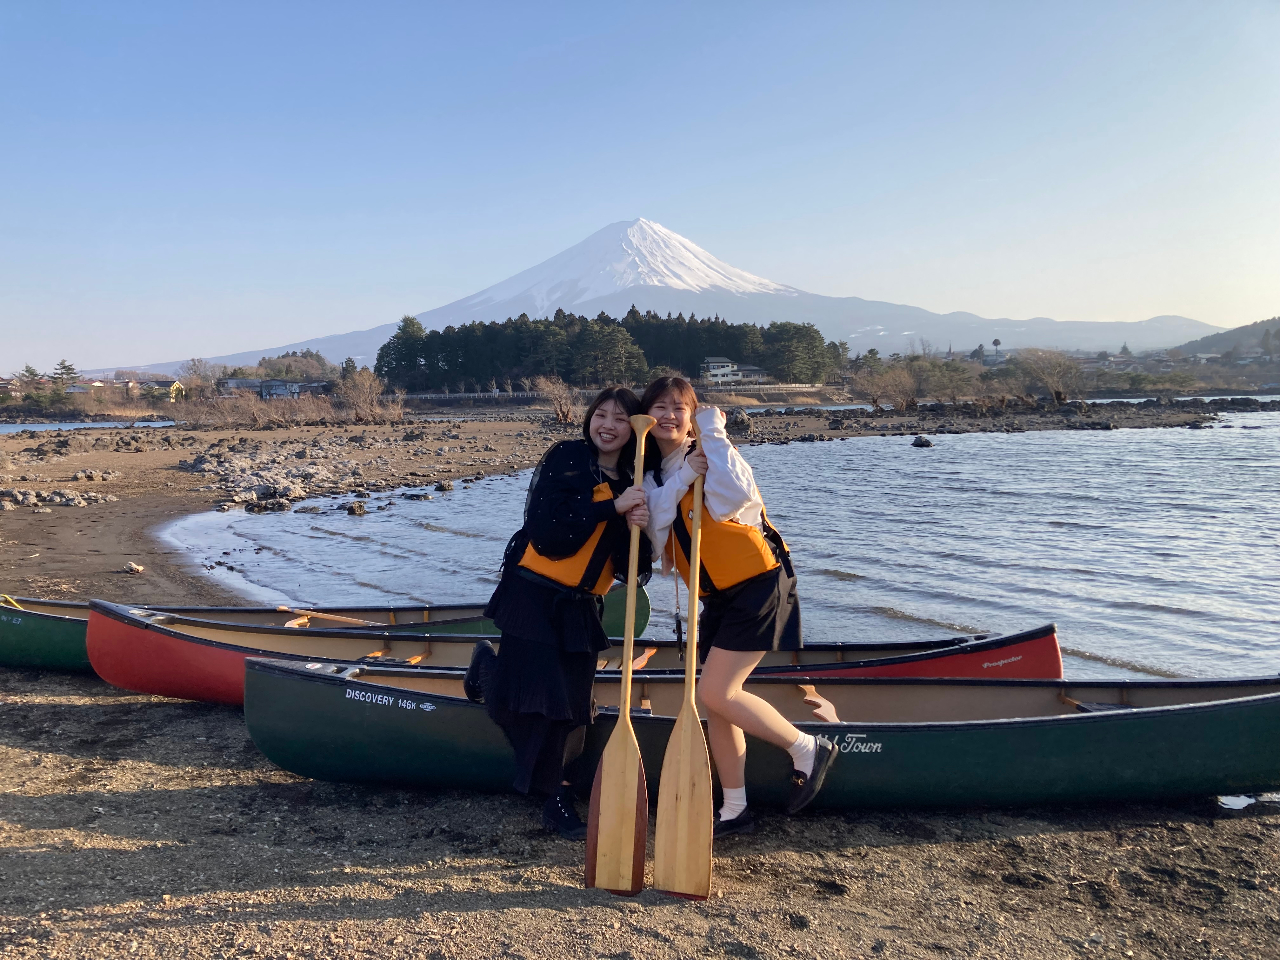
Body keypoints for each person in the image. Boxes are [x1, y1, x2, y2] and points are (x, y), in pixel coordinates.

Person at [640, 376, 835, 836]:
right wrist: (682, 477)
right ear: (646, 415)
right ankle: (734, 807)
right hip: (717, 597)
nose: (669, 416)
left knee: (716, 692)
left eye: (679, 408)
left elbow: (735, 499)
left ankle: (807, 748)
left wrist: (714, 434)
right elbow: (655, 533)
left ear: (692, 415)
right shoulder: (651, 474)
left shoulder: (711, 452)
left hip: (757, 584)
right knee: (717, 703)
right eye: (659, 407)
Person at [468, 387, 651, 839]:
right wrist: (612, 507)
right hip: (534, 593)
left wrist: (640, 530)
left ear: (634, 429)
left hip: (581, 606)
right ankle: (554, 799)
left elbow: (633, 568)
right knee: (544, 700)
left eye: (621, 418)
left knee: (574, 707)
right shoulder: (568, 457)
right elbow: (546, 524)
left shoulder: (636, 479)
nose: (608, 425)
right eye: (601, 414)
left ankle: (489, 671)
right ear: (589, 418)